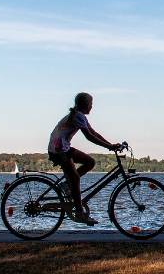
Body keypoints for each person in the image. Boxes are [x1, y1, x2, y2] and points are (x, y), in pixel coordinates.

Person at [47, 92, 120, 225]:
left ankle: (66, 185)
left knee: (90, 162)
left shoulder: (80, 116)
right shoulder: (78, 116)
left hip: (63, 147)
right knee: (75, 178)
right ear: (84, 105)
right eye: (91, 104)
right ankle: (80, 213)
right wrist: (109, 147)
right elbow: (89, 137)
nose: (92, 106)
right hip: (59, 150)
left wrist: (111, 145)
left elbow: (93, 132)